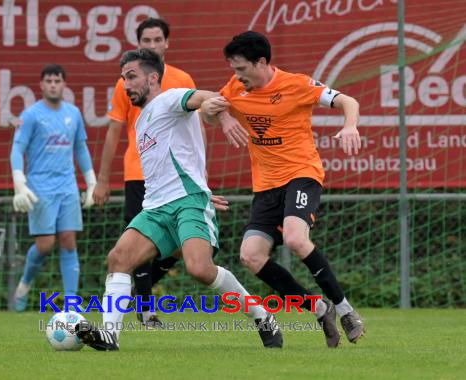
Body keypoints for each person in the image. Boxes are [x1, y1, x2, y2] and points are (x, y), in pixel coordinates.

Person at [76, 48, 282, 351]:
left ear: (153, 77)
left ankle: (261, 315)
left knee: (199, 269)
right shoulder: (141, 121)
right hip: (156, 208)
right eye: (122, 79)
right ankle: (110, 336)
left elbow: (203, 98)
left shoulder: (170, 99)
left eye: (131, 77)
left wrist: (221, 115)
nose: (126, 84)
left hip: (187, 202)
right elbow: (176, 160)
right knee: (118, 259)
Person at [201, 31, 365, 346]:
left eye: (241, 69)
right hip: (266, 186)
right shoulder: (236, 88)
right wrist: (222, 118)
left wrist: (350, 125)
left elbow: (348, 100)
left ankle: (346, 311)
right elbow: (208, 105)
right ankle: (318, 307)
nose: (237, 77)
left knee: (294, 237)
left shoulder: (296, 85)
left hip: (301, 175)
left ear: (261, 62)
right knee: (250, 256)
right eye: (234, 70)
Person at [93, 18, 199, 326]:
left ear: (167, 43)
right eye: (146, 41)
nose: (152, 45)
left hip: (179, 179)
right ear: (139, 44)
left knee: (180, 249)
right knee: (135, 239)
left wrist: (200, 174)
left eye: (157, 40)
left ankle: (137, 295)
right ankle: (147, 310)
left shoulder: (181, 79)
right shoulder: (126, 83)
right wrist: (102, 179)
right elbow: (114, 131)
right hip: (139, 174)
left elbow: (197, 128)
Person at [10, 64, 97, 312]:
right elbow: (17, 148)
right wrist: (19, 181)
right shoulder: (30, 115)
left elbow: (80, 148)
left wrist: (91, 181)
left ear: (63, 84)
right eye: (48, 81)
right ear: (41, 85)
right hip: (40, 187)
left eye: (57, 80)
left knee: (69, 241)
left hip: (67, 185)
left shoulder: (74, 113)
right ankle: (24, 284)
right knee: (46, 244)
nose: (53, 85)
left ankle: (71, 303)